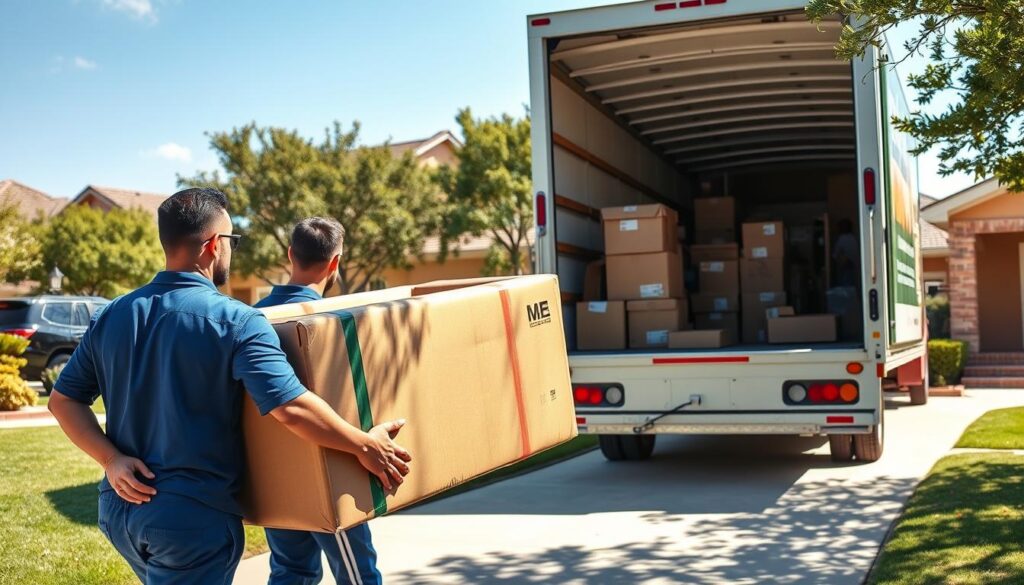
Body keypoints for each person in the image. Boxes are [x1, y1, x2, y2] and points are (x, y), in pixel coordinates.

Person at [47, 188, 411, 585]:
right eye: (232, 241)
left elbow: (64, 401)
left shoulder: (113, 314)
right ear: (214, 245)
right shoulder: (235, 320)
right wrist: (365, 446)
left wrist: (110, 460)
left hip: (119, 511)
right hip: (189, 518)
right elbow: (291, 406)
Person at [255, 217, 381, 585]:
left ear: (290, 254)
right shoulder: (335, 323)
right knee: (358, 574)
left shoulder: (252, 317)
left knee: (291, 572)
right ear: (336, 263)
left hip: (273, 475)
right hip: (330, 472)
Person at [833, 218, 860, 288]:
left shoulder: (842, 239)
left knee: (846, 289)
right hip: (855, 268)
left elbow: (835, 255)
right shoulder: (854, 238)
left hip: (846, 268)